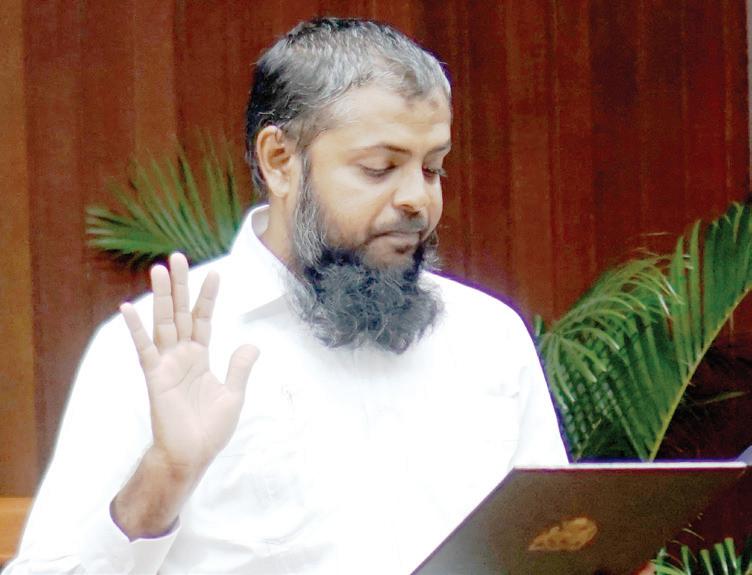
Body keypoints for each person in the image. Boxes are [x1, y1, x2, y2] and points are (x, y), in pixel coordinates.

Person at [5, 17, 567, 574]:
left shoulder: (489, 337)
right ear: (280, 161)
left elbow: (558, 550)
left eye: (433, 168)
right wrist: (165, 477)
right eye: (380, 168)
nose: (418, 199)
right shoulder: (159, 349)